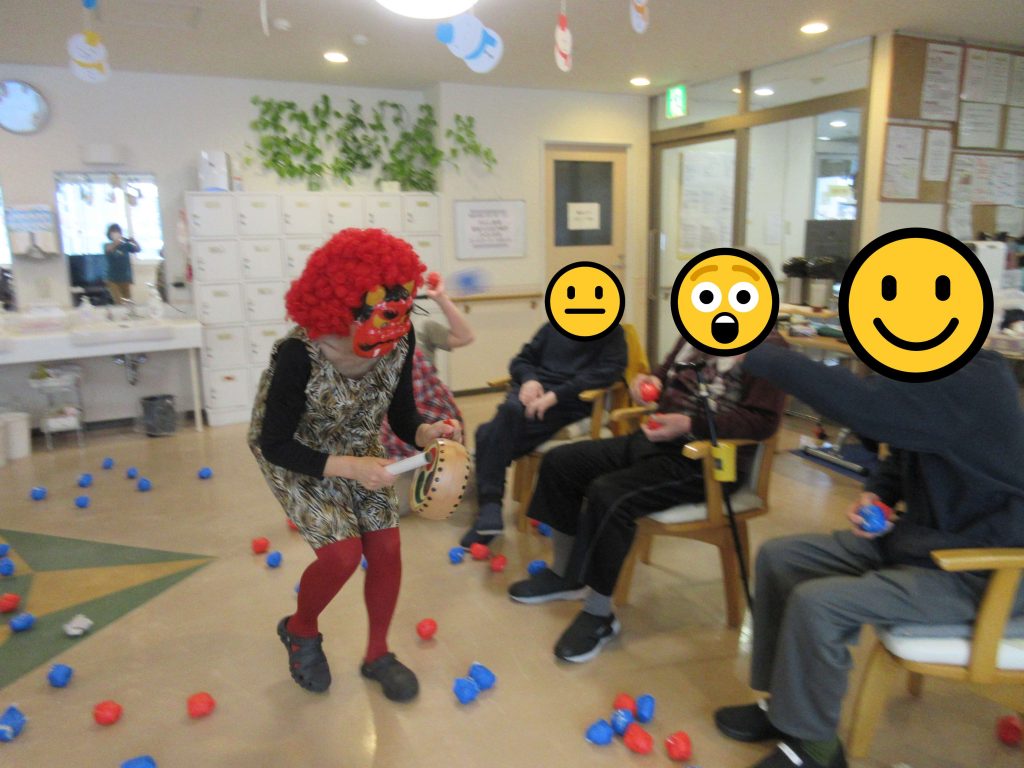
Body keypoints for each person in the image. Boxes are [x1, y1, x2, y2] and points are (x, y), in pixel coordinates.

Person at [713, 343, 1024, 768]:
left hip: (984, 571)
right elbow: (903, 448)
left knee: (820, 605)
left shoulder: (975, 378)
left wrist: (762, 353)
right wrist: (879, 495)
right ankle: (783, 707)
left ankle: (817, 750)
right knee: (781, 559)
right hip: (924, 545)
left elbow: (865, 406)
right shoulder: (928, 370)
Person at [247, 228, 460, 702]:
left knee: (386, 547)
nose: (394, 327)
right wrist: (349, 467)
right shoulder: (298, 355)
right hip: (297, 453)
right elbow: (274, 443)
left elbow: (402, 414)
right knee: (342, 555)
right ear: (342, 307)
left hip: (360, 446)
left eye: (402, 312)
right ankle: (301, 629)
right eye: (384, 314)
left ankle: (378, 653)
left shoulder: (399, 341)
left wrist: (425, 433)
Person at [507, 334, 787, 663]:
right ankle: (566, 575)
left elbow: (763, 422)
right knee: (560, 463)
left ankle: (599, 615)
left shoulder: (770, 349)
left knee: (609, 494)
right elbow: (662, 375)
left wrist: (690, 423)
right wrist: (646, 383)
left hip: (707, 464)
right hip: (656, 439)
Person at [460, 321, 628, 547]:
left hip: (568, 402)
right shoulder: (553, 326)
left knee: (486, 434)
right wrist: (529, 380)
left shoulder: (611, 333)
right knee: (508, 413)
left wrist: (555, 396)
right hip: (530, 395)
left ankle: (490, 507)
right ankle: (490, 508)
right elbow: (521, 360)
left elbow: (608, 373)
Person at [380, 272, 474, 460]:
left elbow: (465, 336)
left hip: (436, 415)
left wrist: (441, 299)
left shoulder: (422, 326)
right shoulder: (366, 341)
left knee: (447, 467)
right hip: (397, 423)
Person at [103, 223, 139, 303]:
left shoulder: (125, 245)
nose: (115, 233)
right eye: (113, 232)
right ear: (109, 234)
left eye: (117, 231)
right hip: (112, 279)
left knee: (128, 302)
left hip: (125, 278)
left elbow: (137, 249)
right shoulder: (106, 245)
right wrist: (118, 241)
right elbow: (108, 250)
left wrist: (134, 241)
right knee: (118, 302)